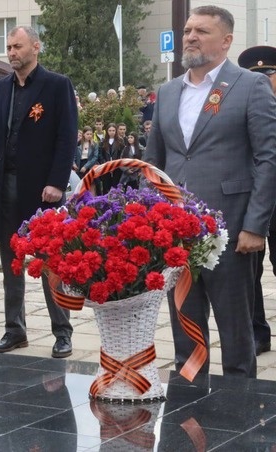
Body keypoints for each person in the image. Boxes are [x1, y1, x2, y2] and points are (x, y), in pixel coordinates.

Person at [145, 6, 276, 377]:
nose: (190, 37)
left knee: (236, 334)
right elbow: (153, 163)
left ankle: (240, 404)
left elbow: (269, 158)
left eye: (202, 31)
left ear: (226, 41)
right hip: (176, 234)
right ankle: (190, 400)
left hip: (231, 233)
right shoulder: (168, 91)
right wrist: (150, 221)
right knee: (185, 333)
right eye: (188, 30)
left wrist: (255, 226)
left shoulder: (249, 86)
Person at [0, 25, 77, 358]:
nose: (11, 53)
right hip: (4, 185)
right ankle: (15, 330)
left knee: (51, 262)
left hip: (42, 189)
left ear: (35, 47)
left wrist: (57, 182)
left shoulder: (56, 85)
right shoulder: (0, 89)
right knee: (11, 262)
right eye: (8, 47)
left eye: (17, 46)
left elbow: (67, 137)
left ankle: (62, 331)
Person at [238, 44, 276, 356]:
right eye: (257, 75)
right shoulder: (244, 109)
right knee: (250, 275)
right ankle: (257, 334)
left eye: (270, 73)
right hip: (254, 204)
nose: (264, 80)